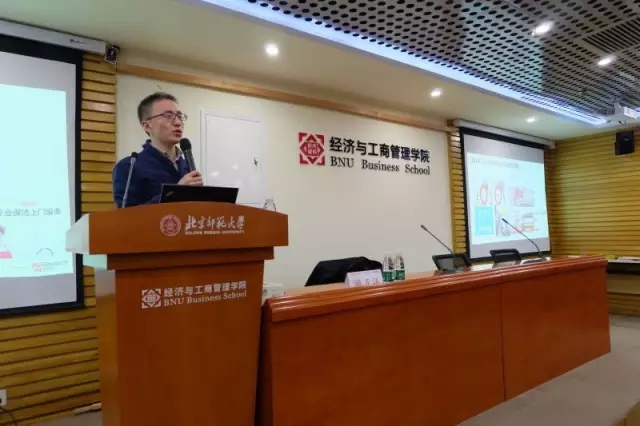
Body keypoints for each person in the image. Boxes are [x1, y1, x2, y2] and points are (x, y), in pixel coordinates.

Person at [112, 92, 203, 207]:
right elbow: (127, 214)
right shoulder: (129, 166)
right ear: (147, 126)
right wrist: (175, 192)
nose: (178, 123)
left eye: (180, 116)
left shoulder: (186, 164)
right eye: (168, 116)